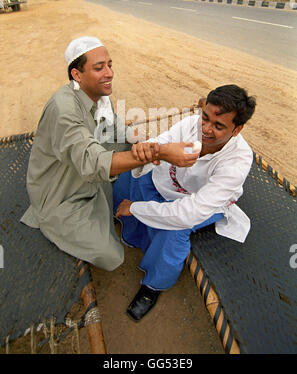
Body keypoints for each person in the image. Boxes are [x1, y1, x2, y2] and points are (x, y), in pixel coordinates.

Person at [21, 36, 198, 271]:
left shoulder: (99, 97)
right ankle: (51, 222)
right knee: (112, 256)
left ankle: (106, 205)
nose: (109, 73)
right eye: (99, 67)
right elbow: (93, 163)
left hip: (86, 177)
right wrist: (161, 152)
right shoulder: (63, 109)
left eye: (110, 65)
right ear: (77, 74)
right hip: (61, 193)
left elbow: (115, 129)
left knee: (131, 150)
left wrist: (141, 141)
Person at [113, 84, 256, 321]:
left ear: (237, 129)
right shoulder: (191, 124)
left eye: (218, 126)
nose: (206, 130)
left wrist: (135, 208)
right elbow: (165, 140)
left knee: (174, 232)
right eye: (205, 118)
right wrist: (151, 148)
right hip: (170, 180)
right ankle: (126, 223)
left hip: (202, 204)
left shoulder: (237, 161)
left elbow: (189, 213)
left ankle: (153, 287)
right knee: (130, 178)